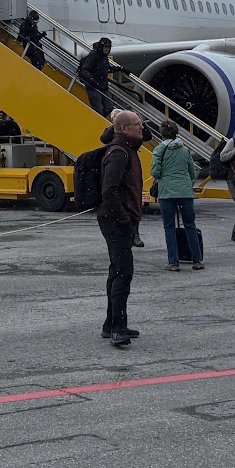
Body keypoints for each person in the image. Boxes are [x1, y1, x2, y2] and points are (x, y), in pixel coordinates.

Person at [97, 109, 146, 347]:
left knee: (117, 270)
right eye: (137, 124)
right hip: (115, 221)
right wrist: (125, 219)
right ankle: (117, 327)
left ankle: (111, 324)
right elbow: (109, 191)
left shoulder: (128, 148)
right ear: (125, 129)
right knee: (123, 272)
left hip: (119, 219)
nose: (142, 127)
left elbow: (147, 134)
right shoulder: (118, 153)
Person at [150, 119, 203, 272]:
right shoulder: (185, 150)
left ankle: (173, 262)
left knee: (169, 227)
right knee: (190, 225)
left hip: (167, 192)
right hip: (185, 192)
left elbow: (155, 172)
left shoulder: (159, 150)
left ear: (162, 133)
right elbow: (192, 171)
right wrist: (186, 184)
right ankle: (197, 260)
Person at [77, 38, 115, 117]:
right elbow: (84, 70)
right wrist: (93, 81)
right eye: (105, 47)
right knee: (98, 109)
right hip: (93, 86)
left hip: (103, 85)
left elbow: (105, 68)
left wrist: (119, 69)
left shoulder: (104, 56)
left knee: (109, 107)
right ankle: (99, 120)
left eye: (108, 47)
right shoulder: (94, 55)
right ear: (101, 47)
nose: (107, 49)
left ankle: (101, 119)